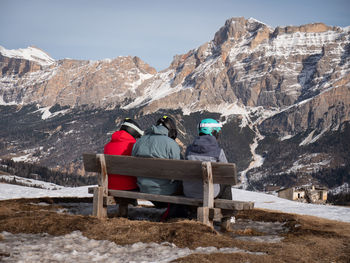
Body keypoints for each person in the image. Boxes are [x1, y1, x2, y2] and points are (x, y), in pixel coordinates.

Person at [132, 115, 181, 196]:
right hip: (165, 190)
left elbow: (132, 164)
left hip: (142, 187)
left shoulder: (139, 142)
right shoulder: (171, 143)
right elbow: (179, 169)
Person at [183, 118, 229, 199]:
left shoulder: (189, 149)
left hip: (189, 192)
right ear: (213, 132)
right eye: (217, 132)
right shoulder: (218, 151)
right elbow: (226, 173)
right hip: (210, 193)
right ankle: (227, 210)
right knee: (227, 184)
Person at [104, 118, 144, 191]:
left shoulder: (108, 146)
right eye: (137, 136)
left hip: (110, 186)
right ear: (133, 133)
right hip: (129, 187)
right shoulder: (133, 146)